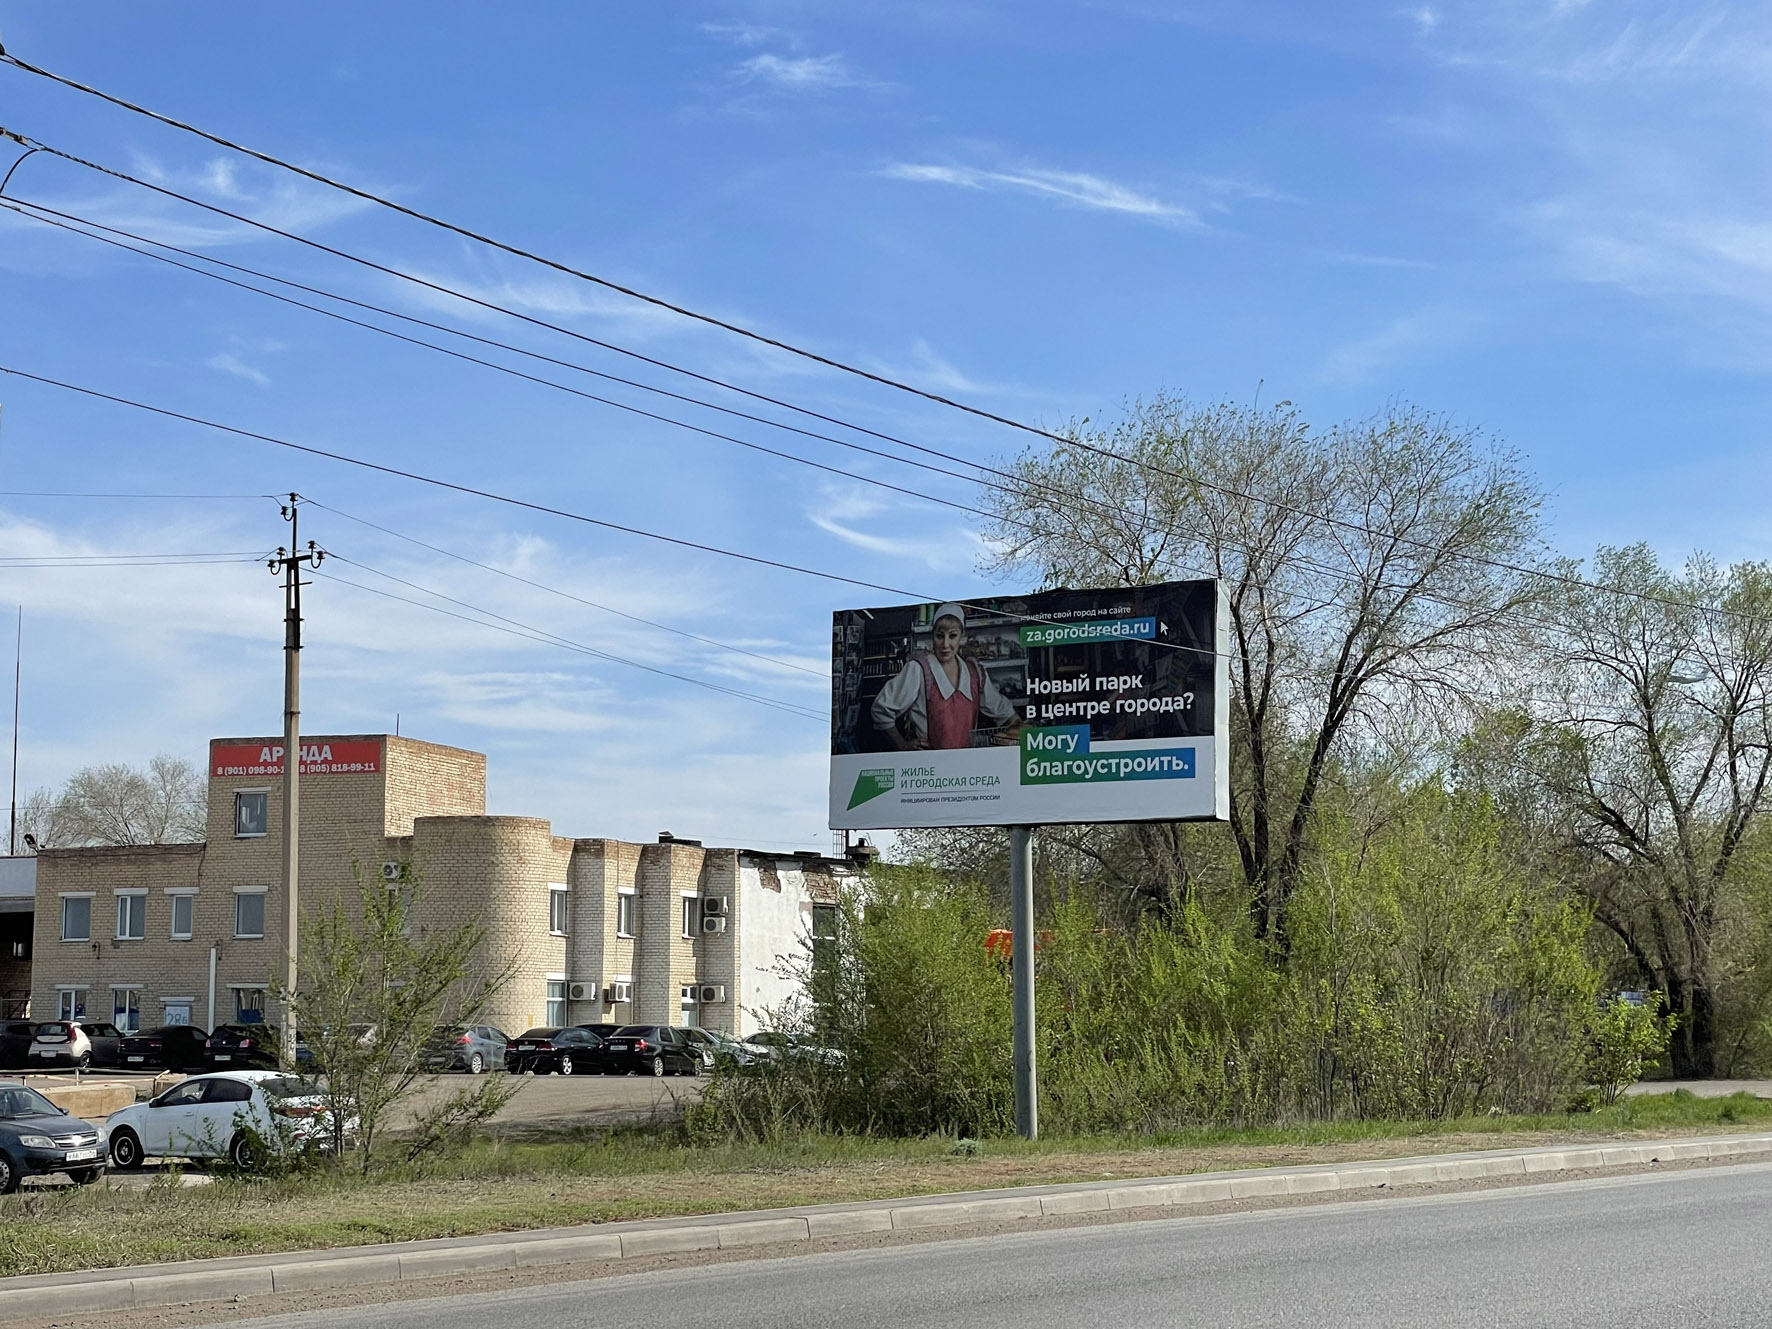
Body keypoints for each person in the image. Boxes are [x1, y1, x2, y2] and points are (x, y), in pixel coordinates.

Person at [872, 603, 1017, 750]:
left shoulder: (974, 673)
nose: (945, 644)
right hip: (930, 762)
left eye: (952, 636)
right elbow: (881, 710)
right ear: (932, 635)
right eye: (940, 636)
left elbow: (1006, 713)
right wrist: (903, 746)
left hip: (967, 761)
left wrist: (1022, 729)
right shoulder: (919, 670)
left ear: (962, 636)